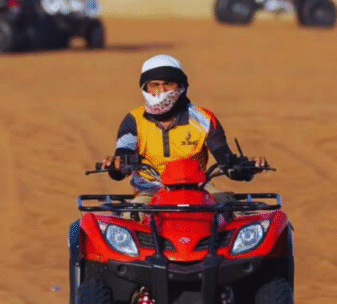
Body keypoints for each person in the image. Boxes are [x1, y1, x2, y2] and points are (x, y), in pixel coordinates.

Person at [101, 54, 268, 207]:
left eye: (168, 84)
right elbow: (123, 154)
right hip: (150, 190)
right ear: (145, 89)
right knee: (131, 217)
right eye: (155, 85)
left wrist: (246, 169)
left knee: (230, 212)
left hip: (198, 189)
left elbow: (224, 158)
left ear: (181, 86)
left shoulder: (204, 118)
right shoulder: (134, 120)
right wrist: (116, 166)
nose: (162, 91)